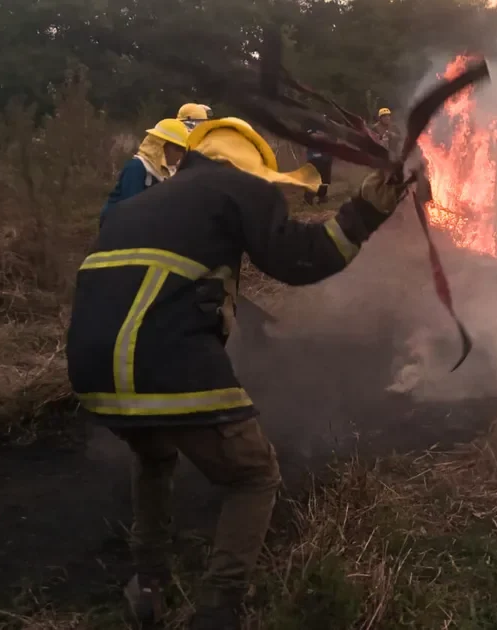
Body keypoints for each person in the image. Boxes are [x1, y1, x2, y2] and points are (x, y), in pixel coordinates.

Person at [66, 117, 408, 629]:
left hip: (92, 368)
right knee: (253, 475)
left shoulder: (138, 205)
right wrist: (365, 212)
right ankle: (219, 608)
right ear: (251, 171)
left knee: (153, 454)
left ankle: (148, 583)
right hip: (165, 362)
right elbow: (300, 260)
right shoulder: (239, 188)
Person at [100, 118, 189, 225]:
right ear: (162, 146)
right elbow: (132, 210)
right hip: (118, 229)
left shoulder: (169, 172)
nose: (181, 155)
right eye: (178, 149)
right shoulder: (137, 168)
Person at [302, 125, 333, 205]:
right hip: (314, 158)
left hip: (326, 157)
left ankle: (322, 198)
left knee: (324, 179)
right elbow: (309, 137)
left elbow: (333, 138)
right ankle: (308, 199)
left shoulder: (328, 124)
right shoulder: (309, 122)